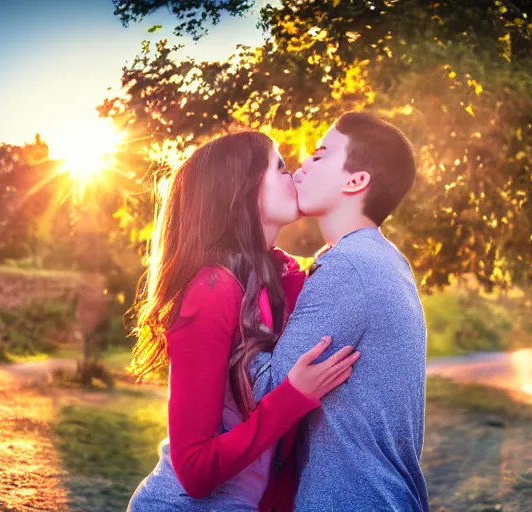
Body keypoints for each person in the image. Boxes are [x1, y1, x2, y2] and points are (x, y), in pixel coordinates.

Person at [127, 131, 360, 511]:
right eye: (280, 166)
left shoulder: (279, 279)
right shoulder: (212, 288)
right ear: (242, 187)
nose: (295, 173)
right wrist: (292, 398)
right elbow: (194, 470)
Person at [257, 112, 430, 511]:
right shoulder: (384, 259)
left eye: (318, 157)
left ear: (356, 181)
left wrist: (224, 316)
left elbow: (271, 390)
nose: (300, 167)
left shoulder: (349, 267)